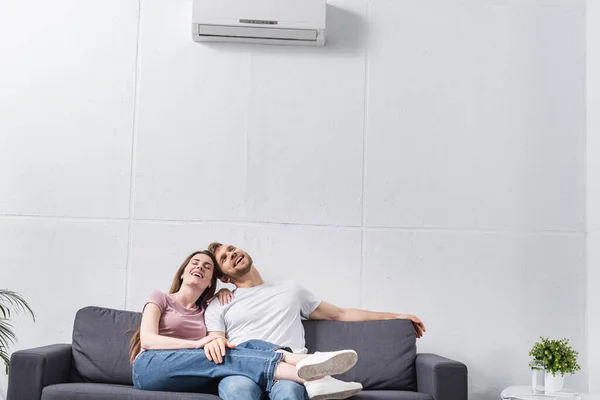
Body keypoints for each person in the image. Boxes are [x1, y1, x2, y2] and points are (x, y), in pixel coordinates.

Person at [205, 242, 427, 400]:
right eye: (224, 258)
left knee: (290, 394)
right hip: (244, 372)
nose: (232, 254)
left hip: (290, 372)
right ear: (224, 277)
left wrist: (396, 316)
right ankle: (322, 378)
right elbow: (217, 343)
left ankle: (315, 376)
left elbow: (339, 314)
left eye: (232, 249)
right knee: (236, 391)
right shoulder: (220, 304)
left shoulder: (289, 290)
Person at [129, 250, 363, 399]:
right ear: (182, 273)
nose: (199, 267)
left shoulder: (209, 309)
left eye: (207, 267)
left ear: (213, 281)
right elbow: (149, 340)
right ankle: (308, 370)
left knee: (241, 346)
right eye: (195, 263)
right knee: (228, 351)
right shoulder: (160, 297)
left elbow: (217, 345)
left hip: (190, 373)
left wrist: (222, 295)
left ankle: (304, 369)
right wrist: (199, 342)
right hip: (151, 366)